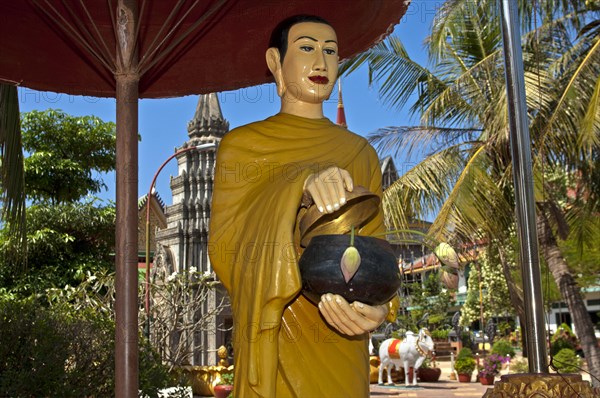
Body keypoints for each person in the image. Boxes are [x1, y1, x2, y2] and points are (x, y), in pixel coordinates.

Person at [209, 15, 390, 397]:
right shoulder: (242, 147)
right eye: (307, 48)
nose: (321, 62)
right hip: (275, 331)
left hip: (340, 339)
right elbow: (225, 252)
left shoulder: (359, 153)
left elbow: (375, 251)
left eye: (331, 51)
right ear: (275, 62)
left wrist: (378, 309)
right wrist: (299, 185)